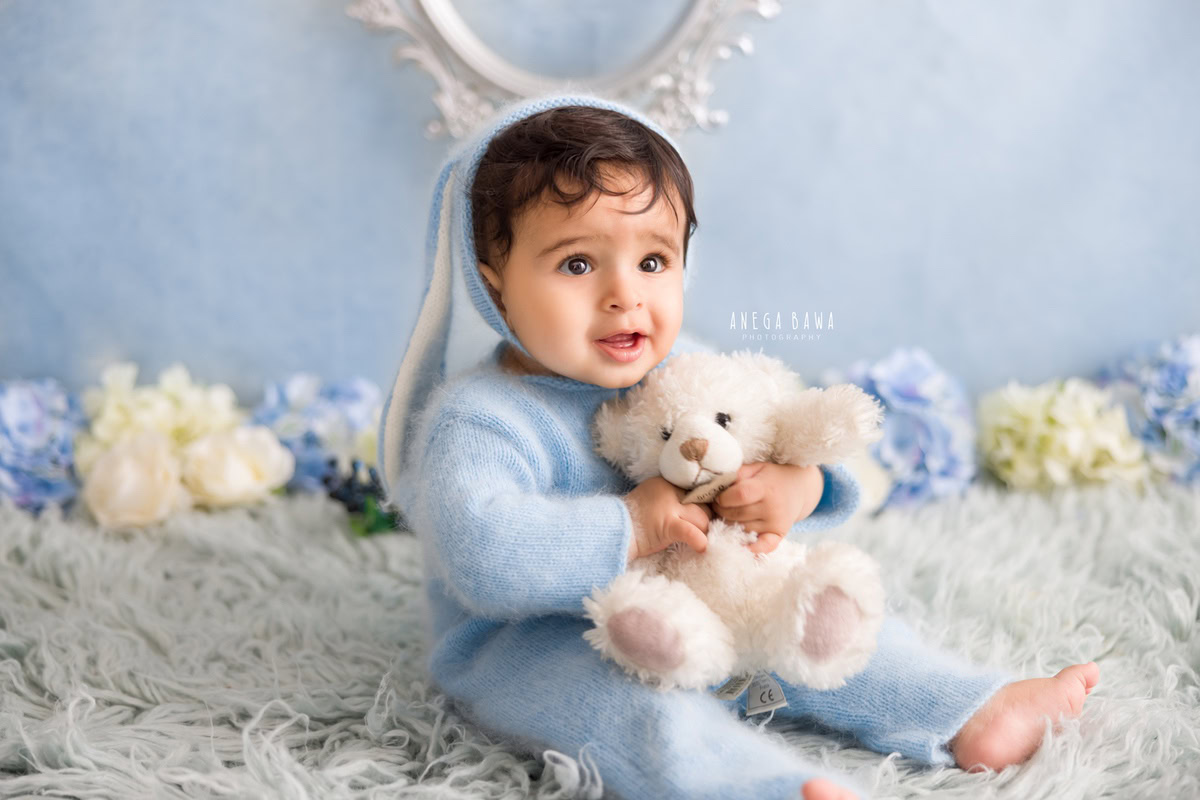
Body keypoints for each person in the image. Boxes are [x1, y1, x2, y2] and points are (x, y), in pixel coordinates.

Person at [377, 93, 1099, 800]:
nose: (624, 296)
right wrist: (633, 524)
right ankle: (765, 787)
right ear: (492, 277)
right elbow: (482, 553)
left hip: (712, 596)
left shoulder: (683, 368)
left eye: (653, 262)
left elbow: (776, 431)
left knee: (832, 628)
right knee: (626, 711)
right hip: (539, 639)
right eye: (576, 265)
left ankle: (968, 709)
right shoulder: (481, 420)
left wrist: (795, 488)